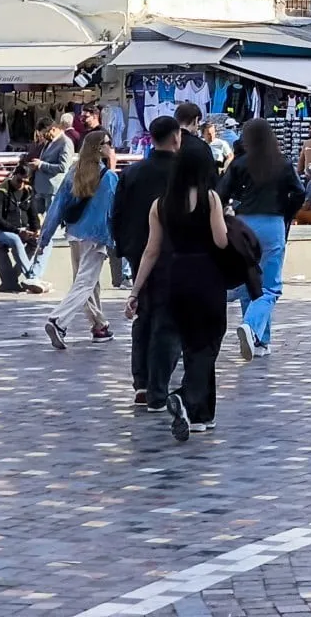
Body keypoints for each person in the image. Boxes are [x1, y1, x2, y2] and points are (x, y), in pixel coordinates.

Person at [127, 137, 229, 440]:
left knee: (190, 345)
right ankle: (185, 396)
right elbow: (221, 240)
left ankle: (202, 415)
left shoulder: (160, 204)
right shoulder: (210, 198)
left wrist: (135, 291)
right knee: (207, 345)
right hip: (207, 276)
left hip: (174, 277)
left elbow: (151, 250)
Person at [218, 119, 304, 361]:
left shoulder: (240, 164)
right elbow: (299, 193)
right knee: (270, 287)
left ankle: (260, 339)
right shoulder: (283, 164)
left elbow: (220, 193)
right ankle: (253, 328)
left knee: (249, 281)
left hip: (244, 224)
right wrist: (286, 213)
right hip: (272, 222)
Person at [111, 116, 180, 405]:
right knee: (169, 320)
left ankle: (141, 381)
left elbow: (117, 212)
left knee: (145, 316)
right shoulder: (182, 174)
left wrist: (124, 247)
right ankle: (157, 382)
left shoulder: (133, 172)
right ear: (176, 137)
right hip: (175, 254)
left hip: (138, 250)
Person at [41, 131, 119, 349]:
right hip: (97, 236)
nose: (111, 146)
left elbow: (57, 207)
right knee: (85, 284)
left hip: (75, 234)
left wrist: (44, 238)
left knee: (87, 284)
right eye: (108, 143)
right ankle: (59, 320)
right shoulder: (110, 178)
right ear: (99, 148)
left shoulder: (74, 173)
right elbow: (115, 211)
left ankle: (99, 327)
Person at [0, 161, 42, 291]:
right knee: (15, 240)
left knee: (41, 241)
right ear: (14, 175)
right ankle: (32, 276)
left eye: (25, 182)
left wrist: (36, 230)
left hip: (21, 230)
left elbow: (33, 214)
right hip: (0, 231)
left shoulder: (28, 192)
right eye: (19, 180)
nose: (21, 184)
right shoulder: (0, 191)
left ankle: (25, 277)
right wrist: (17, 231)